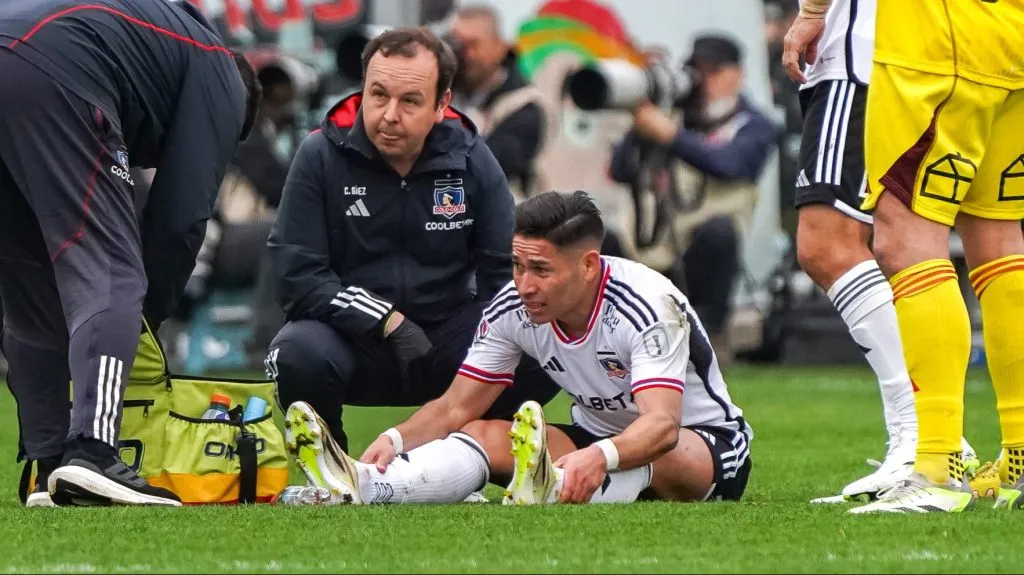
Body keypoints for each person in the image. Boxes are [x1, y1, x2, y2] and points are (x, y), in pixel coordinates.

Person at [281, 190, 753, 506]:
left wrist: (601, 457)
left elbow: (662, 425)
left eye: (541, 270)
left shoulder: (650, 304)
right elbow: (454, 405)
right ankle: (367, 485)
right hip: (593, 444)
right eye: (516, 265)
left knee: (655, 452)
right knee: (487, 432)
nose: (524, 285)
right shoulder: (513, 306)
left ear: (589, 266)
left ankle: (554, 484)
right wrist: (395, 440)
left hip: (703, 451)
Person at [0, 0, 260, 507]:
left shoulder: (161, 40)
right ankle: (92, 451)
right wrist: (145, 317)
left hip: (20, 46)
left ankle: (48, 461)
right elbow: (180, 217)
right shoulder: (222, 77)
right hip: (52, 69)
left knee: (29, 283)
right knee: (113, 274)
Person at [265, 27, 560, 455]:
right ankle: (332, 470)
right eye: (378, 95)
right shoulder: (320, 155)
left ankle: (467, 461)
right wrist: (386, 320)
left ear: (442, 104)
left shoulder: (471, 157)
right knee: (295, 353)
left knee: (540, 341)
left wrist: (503, 336)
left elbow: (505, 277)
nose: (389, 114)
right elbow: (297, 276)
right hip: (353, 341)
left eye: (410, 101)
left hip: (449, 344)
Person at [784, 0, 1024, 513]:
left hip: (933, 38)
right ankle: (1020, 456)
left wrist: (812, 9)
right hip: (1007, 35)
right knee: (999, 243)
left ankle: (936, 462)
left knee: (904, 239)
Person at [608, 35, 777, 363]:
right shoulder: (670, 115)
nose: (703, 81)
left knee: (718, 233)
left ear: (736, 75)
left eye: (713, 72)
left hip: (702, 252)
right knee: (597, 236)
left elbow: (730, 164)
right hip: (652, 245)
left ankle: (709, 339)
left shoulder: (755, 125)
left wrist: (669, 135)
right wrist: (640, 122)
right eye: (696, 72)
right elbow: (619, 170)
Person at [448, 5, 550, 201]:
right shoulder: (445, 93)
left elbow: (491, 165)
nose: (465, 55)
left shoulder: (524, 104)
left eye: (473, 45)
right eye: (458, 46)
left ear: (500, 47)